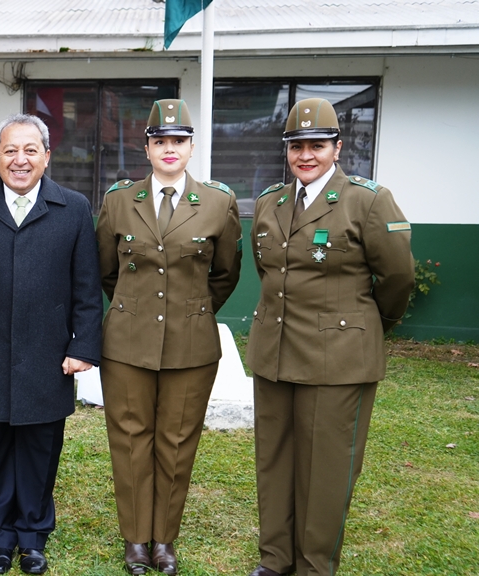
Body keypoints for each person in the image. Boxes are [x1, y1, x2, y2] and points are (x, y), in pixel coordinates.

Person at [245, 98, 414, 576]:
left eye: (317, 145)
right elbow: (270, 273)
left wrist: (367, 326)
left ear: (337, 148)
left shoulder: (367, 200)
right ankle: (275, 559)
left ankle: (314, 566)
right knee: (274, 462)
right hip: (275, 353)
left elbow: (398, 278)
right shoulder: (269, 203)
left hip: (337, 358)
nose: (306, 155)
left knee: (325, 470)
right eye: (297, 146)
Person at [0, 113, 103, 575]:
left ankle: (32, 537)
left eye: (30, 150)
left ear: (47, 156)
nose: (20, 159)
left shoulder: (72, 208)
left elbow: (86, 288)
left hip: (49, 358)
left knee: (39, 449)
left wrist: (83, 347)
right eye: (10, 150)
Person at [96, 99, 243, 576]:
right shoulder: (119, 200)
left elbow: (224, 274)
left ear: (191, 146)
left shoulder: (219, 202)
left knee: (178, 443)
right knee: (131, 440)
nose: (169, 149)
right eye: (160, 141)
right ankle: (136, 539)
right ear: (147, 147)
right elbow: (106, 270)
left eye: (178, 141)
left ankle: (164, 540)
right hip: (127, 342)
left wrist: (189, 312)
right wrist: (137, 309)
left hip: (190, 343)